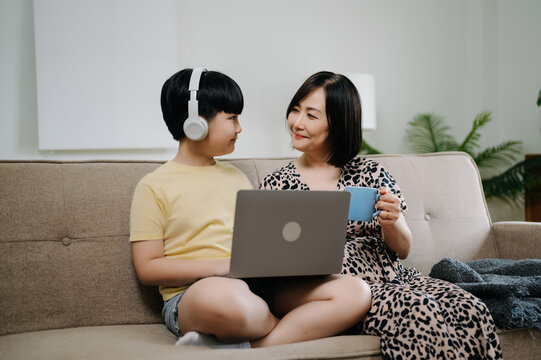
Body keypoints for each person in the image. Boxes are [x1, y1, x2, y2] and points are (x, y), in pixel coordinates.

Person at [260, 71, 503, 359]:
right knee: (419, 312)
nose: (297, 123)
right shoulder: (275, 185)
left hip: (395, 277)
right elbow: (269, 262)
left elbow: (403, 248)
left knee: (469, 307)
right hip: (334, 290)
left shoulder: (370, 173)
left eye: (311, 116)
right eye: (296, 110)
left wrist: (391, 222)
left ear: (338, 123)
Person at [129, 68, 372, 349]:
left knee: (355, 292)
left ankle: (251, 347)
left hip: (255, 288)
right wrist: (222, 267)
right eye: (232, 118)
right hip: (195, 294)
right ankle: (272, 332)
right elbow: (148, 268)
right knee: (229, 300)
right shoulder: (153, 186)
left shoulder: (237, 177)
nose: (239, 128)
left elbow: (260, 240)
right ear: (196, 122)